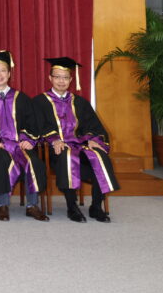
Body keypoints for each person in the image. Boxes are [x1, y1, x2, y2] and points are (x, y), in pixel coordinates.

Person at [34, 57, 119, 222]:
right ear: (50, 78)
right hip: (55, 152)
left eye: (65, 77)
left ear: (71, 80)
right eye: (57, 77)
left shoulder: (80, 102)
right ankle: (71, 207)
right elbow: (37, 126)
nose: (61, 81)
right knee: (67, 156)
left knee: (100, 157)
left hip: (80, 147)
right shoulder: (39, 102)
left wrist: (93, 139)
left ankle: (96, 206)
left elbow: (94, 126)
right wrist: (54, 139)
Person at [0, 51, 49, 222]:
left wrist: (28, 140)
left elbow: (32, 123)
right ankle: (2, 205)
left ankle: (32, 205)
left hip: (19, 145)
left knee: (33, 161)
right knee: (2, 160)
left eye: (3, 71)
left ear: (9, 73)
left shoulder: (21, 98)